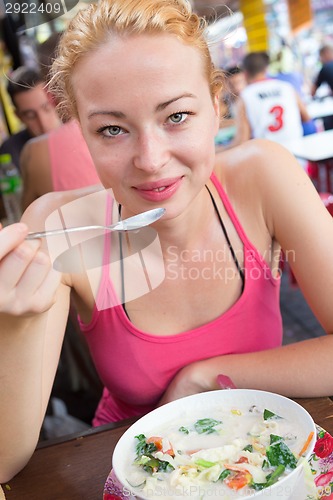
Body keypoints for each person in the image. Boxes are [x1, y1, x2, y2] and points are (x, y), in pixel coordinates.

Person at [1, 0, 333, 483]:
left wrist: (205, 375)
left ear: (217, 106)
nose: (151, 160)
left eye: (176, 116)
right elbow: (5, 460)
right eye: (112, 129)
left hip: (257, 453)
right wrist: (12, 323)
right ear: (81, 134)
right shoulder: (61, 225)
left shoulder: (263, 177)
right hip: (132, 471)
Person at [223, 51, 311, 149]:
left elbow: (241, 142)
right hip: (298, 155)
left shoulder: (245, 96)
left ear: (245, 74)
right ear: (266, 69)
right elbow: (306, 117)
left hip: (267, 158)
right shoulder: (287, 87)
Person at [20, 119, 101, 210]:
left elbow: (26, 217)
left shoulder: (34, 151)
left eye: (46, 108)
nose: (43, 124)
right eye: (30, 116)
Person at [0, 66, 61, 170]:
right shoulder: (11, 152)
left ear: (55, 101)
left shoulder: (83, 133)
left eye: (46, 108)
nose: (43, 122)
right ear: (18, 116)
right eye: (30, 116)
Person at [311, 44, 333, 130]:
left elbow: (313, 91)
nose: (320, 59)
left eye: (321, 56)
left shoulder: (325, 67)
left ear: (326, 54)